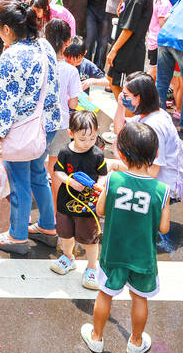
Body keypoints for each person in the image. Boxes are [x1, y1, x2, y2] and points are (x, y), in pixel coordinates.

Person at [80, 123, 170, 353]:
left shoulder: (113, 179)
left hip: (114, 252)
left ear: (120, 153)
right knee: (140, 298)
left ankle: (96, 338)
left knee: (105, 294)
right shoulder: (162, 189)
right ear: (155, 155)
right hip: (143, 257)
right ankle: (136, 342)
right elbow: (164, 227)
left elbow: (101, 210)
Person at [0, 1, 60, 254]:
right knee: (38, 174)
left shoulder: (12, 55)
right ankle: (48, 226)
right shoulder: (45, 45)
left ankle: (17, 235)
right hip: (47, 124)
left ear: (7, 29)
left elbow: (4, 101)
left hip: (22, 129)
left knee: (18, 180)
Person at [51, 110, 107, 289]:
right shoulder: (65, 152)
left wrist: (99, 186)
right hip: (65, 202)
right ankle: (68, 257)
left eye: (92, 138)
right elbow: (58, 171)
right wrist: (69, 181)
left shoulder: (97, 154)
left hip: (88, 206)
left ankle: (92, 267)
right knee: (65, 234)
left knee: (90, 239)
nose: (87, 143)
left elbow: (103, 174)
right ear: (71, 133)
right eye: (82, 139)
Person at [113, 72, 183, 200]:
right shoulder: (149, 114)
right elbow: (119, 130)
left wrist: (119, 164)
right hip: (152, 177)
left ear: (139, 98)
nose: (123, 97)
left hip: (164, 188)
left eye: (126, 95)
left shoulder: (155, 126)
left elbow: (153, 171)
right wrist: (120, 105)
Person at [44, 19, 83, 196]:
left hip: (39, 122)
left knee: (35, 165)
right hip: (61, 122)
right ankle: (53, 208)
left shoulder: (40, 64)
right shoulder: (70, 70)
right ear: (68, 42)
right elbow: (73, 103)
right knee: (55, 167)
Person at [106, 0, 153, 100]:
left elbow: (129, 28)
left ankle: (126, 113)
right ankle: (124, 112)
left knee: (124, 88)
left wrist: (113, 50)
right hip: (129, 49)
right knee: (114, 81)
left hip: (129, 51)